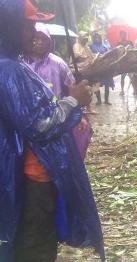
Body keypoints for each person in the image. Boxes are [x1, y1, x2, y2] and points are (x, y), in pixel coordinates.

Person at [0, 0, 105, 262]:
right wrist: (73, 100)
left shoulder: (16, 65)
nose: (34, 33)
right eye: (28, 25)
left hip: (39, 174)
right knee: (30, 248)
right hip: (27, 178)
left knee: (43, 241)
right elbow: (40, 125)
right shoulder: (8, 70)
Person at [24, 22, 93, 160]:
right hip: (33, 120)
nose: (39, 42)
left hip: (59, 115)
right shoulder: (21, 64)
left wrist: (81, 115)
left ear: (50, 42)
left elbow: (73, 90)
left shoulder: (58, 63)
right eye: (36, 38)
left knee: (60, 156)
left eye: (43, 39)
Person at [89, 32, 115, 105]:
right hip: (96, 68)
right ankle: (99, 100)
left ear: (100, 38)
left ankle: (106, 100)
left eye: (98, 37)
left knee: (107, 83)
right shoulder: (91, 46)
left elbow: (109, 55)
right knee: (96, 83)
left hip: (105, 68)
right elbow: (89, 55)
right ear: (93, 38)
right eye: (95, 37)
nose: (97, 39)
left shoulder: (105, 46)